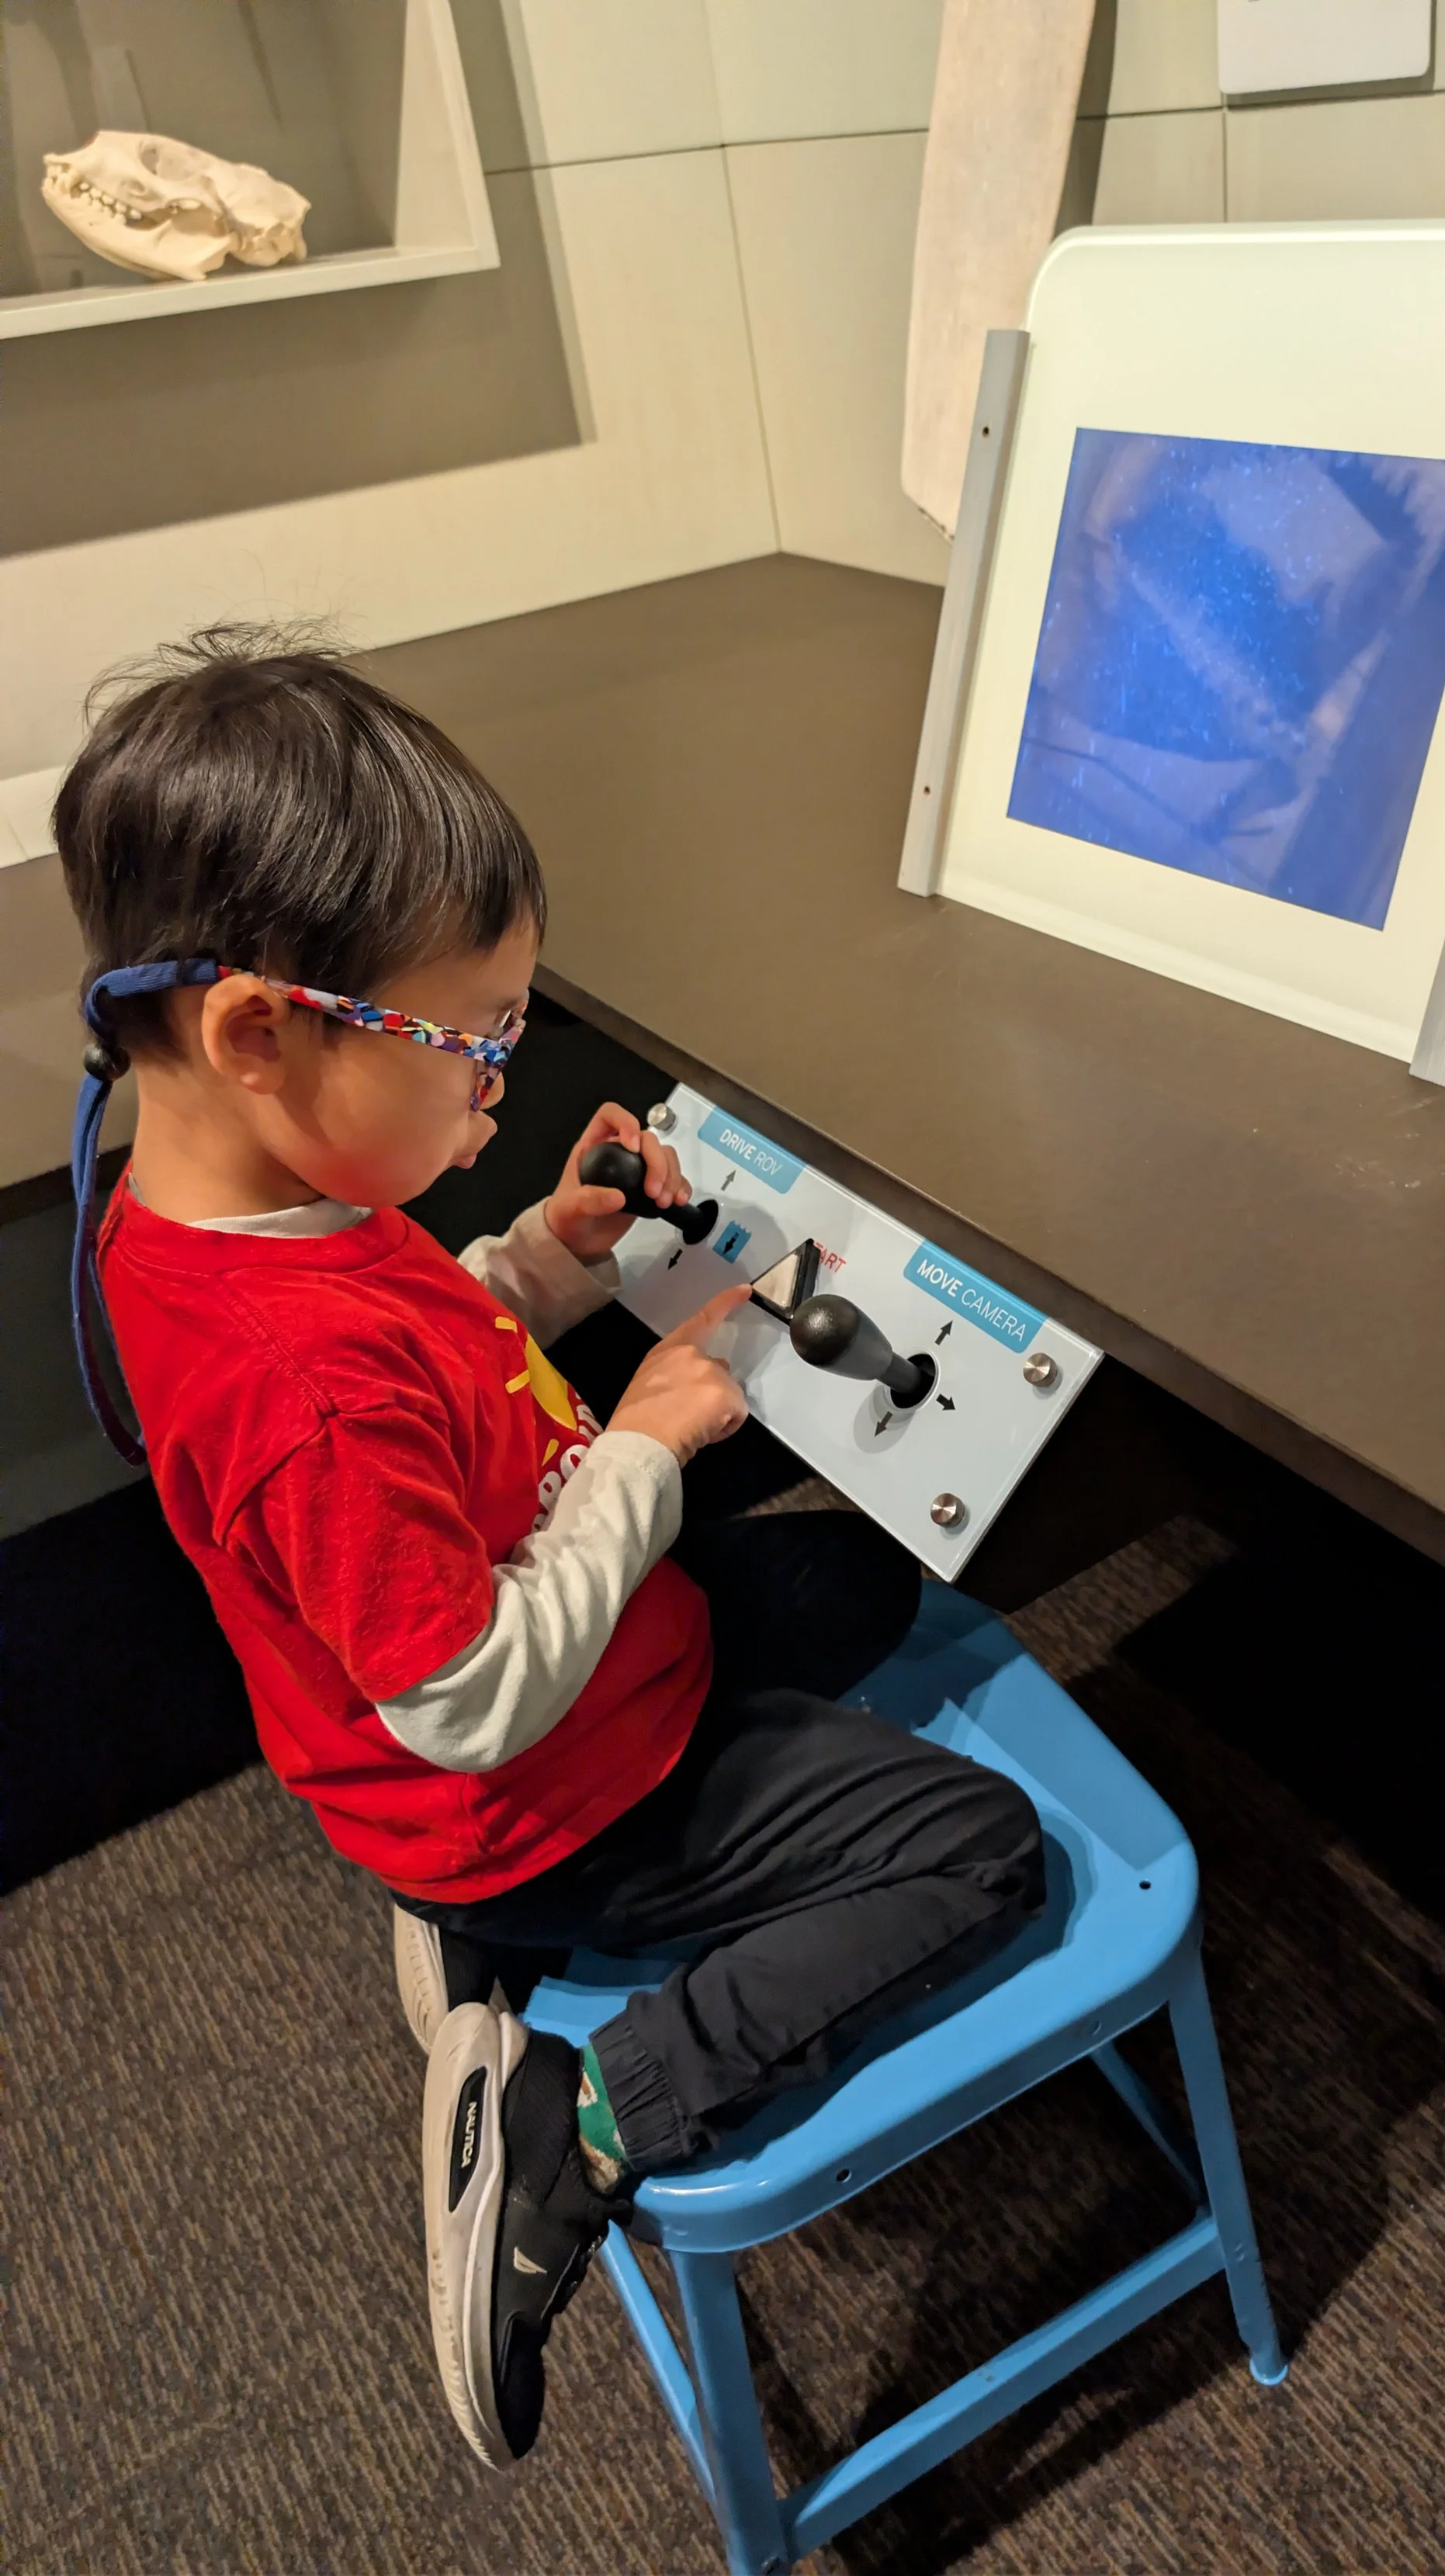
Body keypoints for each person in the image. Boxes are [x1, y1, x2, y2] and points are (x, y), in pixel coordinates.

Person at [60, 632, 1045, 2470]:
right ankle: (575, 2115)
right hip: (527, 1776)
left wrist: (544, 1260)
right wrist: (651, 1441)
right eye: (472, 1042)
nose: (500, 1085)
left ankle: (470, 1929)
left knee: (858, 1588)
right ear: (257, 1034)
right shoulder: (292, 1385)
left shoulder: (246, 1201)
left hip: (527, 1673)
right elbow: (466, 1691)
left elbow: (425, 1358)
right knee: (978, 1850)